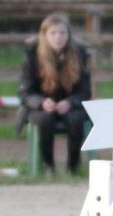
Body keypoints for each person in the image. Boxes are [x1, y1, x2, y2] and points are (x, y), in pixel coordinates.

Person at [17, 12, 92, 175]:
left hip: (71, 106)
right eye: (53, 33)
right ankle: (48, 166)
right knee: (45, 120)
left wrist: (70, 102)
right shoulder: (32, 54)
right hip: (41, 107)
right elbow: (25, 92)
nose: (58, 37)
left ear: (68, 35)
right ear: (44, 36)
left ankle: (73, 166)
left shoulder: (79, 53)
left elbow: (85, 91)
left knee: (76, 119)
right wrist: (41, 102)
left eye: (62, 33)